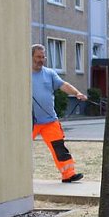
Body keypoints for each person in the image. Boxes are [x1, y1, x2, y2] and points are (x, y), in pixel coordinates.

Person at [31, 44, 87, 182]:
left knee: (59, 148)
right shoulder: (21, 74)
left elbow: (64, 85)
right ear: (30, 57)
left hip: (49, 120)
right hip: (28, 121)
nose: (41, 59)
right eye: (38, 56)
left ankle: (68, 175)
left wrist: (77, 93)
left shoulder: (49, 73)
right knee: (21, 149)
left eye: (43, 57)